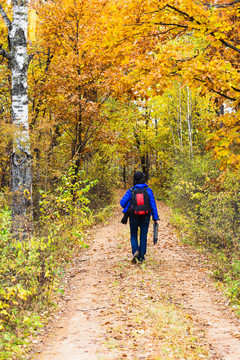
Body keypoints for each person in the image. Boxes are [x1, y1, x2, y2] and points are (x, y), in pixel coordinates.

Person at [120, 171, 159, 263]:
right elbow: (153, 205)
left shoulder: (131, 191)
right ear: (143, 179)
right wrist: (155, 218)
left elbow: (122, 203)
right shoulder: (148, 190)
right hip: (145, 216)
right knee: (143, 236)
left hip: (133, 216)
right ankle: (141, 257)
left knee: (133, 234)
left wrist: (130, 204)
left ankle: (135, 251)